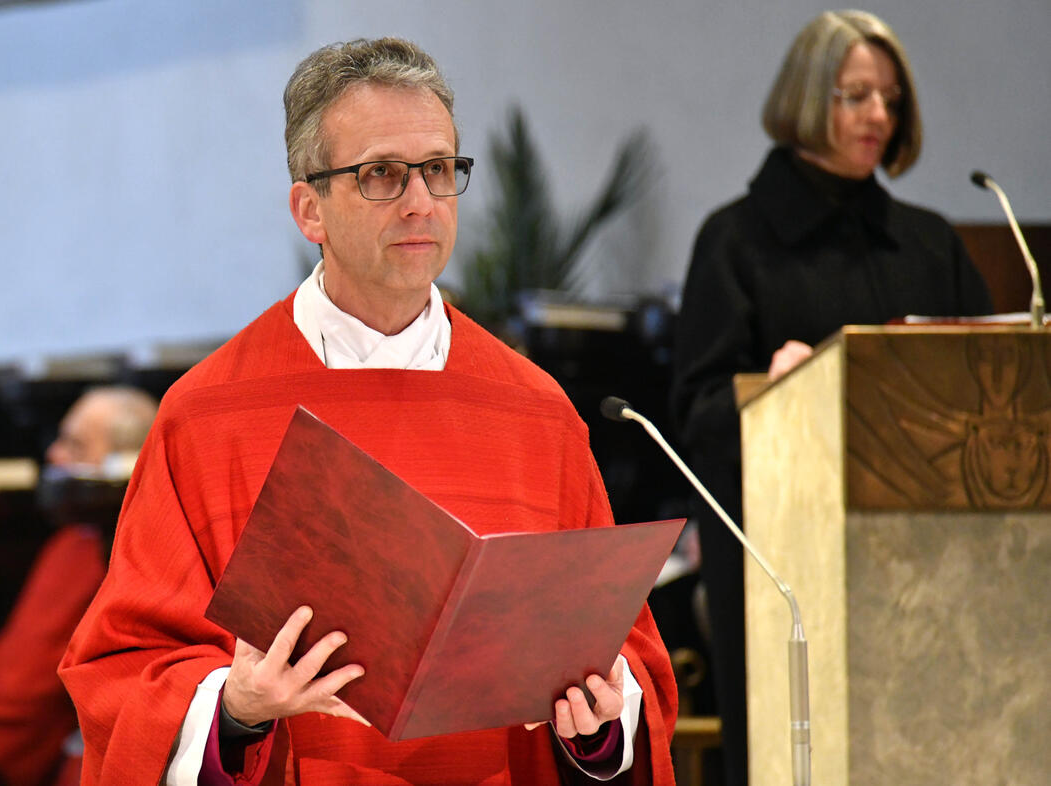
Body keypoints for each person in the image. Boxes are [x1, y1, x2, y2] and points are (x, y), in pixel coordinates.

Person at [59, 38, 678, 786]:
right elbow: (126, 672)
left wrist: (599, 724)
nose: (421, 201)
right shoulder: (210, 415)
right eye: (382, 174)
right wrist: (236, 710)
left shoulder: (535, 413)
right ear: (309, 209)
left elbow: (627, 651)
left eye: (440, 170)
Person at [670, 10, 993, 786]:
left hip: (928, 566)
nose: (879, 116)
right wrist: (778, 393)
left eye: (890, 99)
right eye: (856, 96)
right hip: (788, 571)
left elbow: (993, 384)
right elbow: (694, 419)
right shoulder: (737, 240)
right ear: (809, 98)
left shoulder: (929, 241)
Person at [0, 386, 158, 786]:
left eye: (75, 445)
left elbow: (24, 696)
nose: (54, 454)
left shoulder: (112, 551)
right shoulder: (71, 542)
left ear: (124, 464)